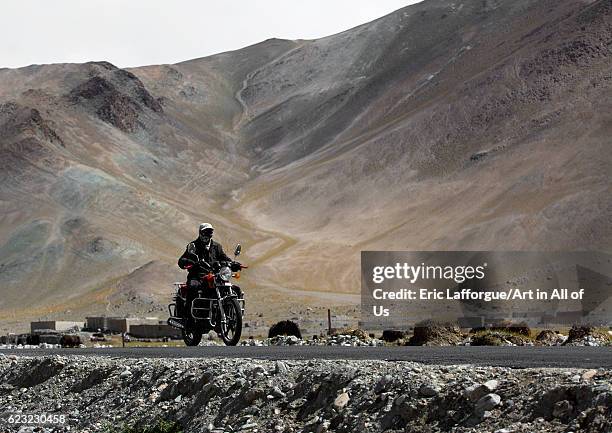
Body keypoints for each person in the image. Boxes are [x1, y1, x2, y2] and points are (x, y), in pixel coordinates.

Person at [177, 223, 238, 318]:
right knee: (193, 287)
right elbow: (181, 261)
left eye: (209, 232)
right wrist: (188, 261)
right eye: (205, 232)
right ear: (200, 233)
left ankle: (231, 316)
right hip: (197, 276)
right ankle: (188, 318)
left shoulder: (217, 246)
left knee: (234, 289)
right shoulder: (193, 246)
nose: (207, 234)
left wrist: (233, 264)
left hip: (215, 276)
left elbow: (224, 257)